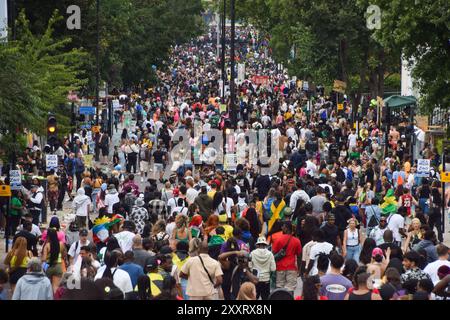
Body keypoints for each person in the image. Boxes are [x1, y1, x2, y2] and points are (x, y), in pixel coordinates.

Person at [272, 221, 301, 293]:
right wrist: (299, 269)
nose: (281, 228)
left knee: (279, 289)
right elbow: (299, 256)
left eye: (283, 226)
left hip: (280, 267)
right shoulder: (296, 241)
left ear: (286, 229)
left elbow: (273, 254)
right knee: (290, 289)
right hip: (291, 267)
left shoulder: (278, 240)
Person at [41, 228, 67, 292]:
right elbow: (64, 255)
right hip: (58, 266)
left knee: (47, 287)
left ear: (48, 236)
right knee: (55, 287)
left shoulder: (47, 245)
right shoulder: (61, 244)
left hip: (48, 266)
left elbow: (44, 259)